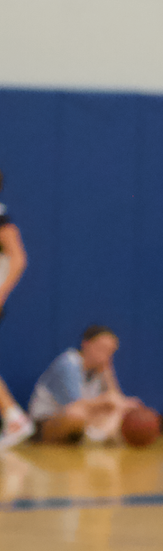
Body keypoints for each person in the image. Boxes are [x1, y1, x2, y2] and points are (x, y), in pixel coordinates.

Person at [28, 326, 145, 442]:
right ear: (86, 344)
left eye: (110, 351)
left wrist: (109, 374)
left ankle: (97, 437)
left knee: (117, 410)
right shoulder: (69, 363)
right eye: (102, 348)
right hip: (45, 423)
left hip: (81, 420)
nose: (105, 355)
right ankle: (97, 437)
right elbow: (76, 405)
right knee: (76, 415)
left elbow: (115, 399)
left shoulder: (100, 370)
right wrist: (107, 400)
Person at [0, 172, 34, 451]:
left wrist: (1, 293)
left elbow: (19, 258)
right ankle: (13, 416)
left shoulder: (2, 220)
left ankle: (14, 417)